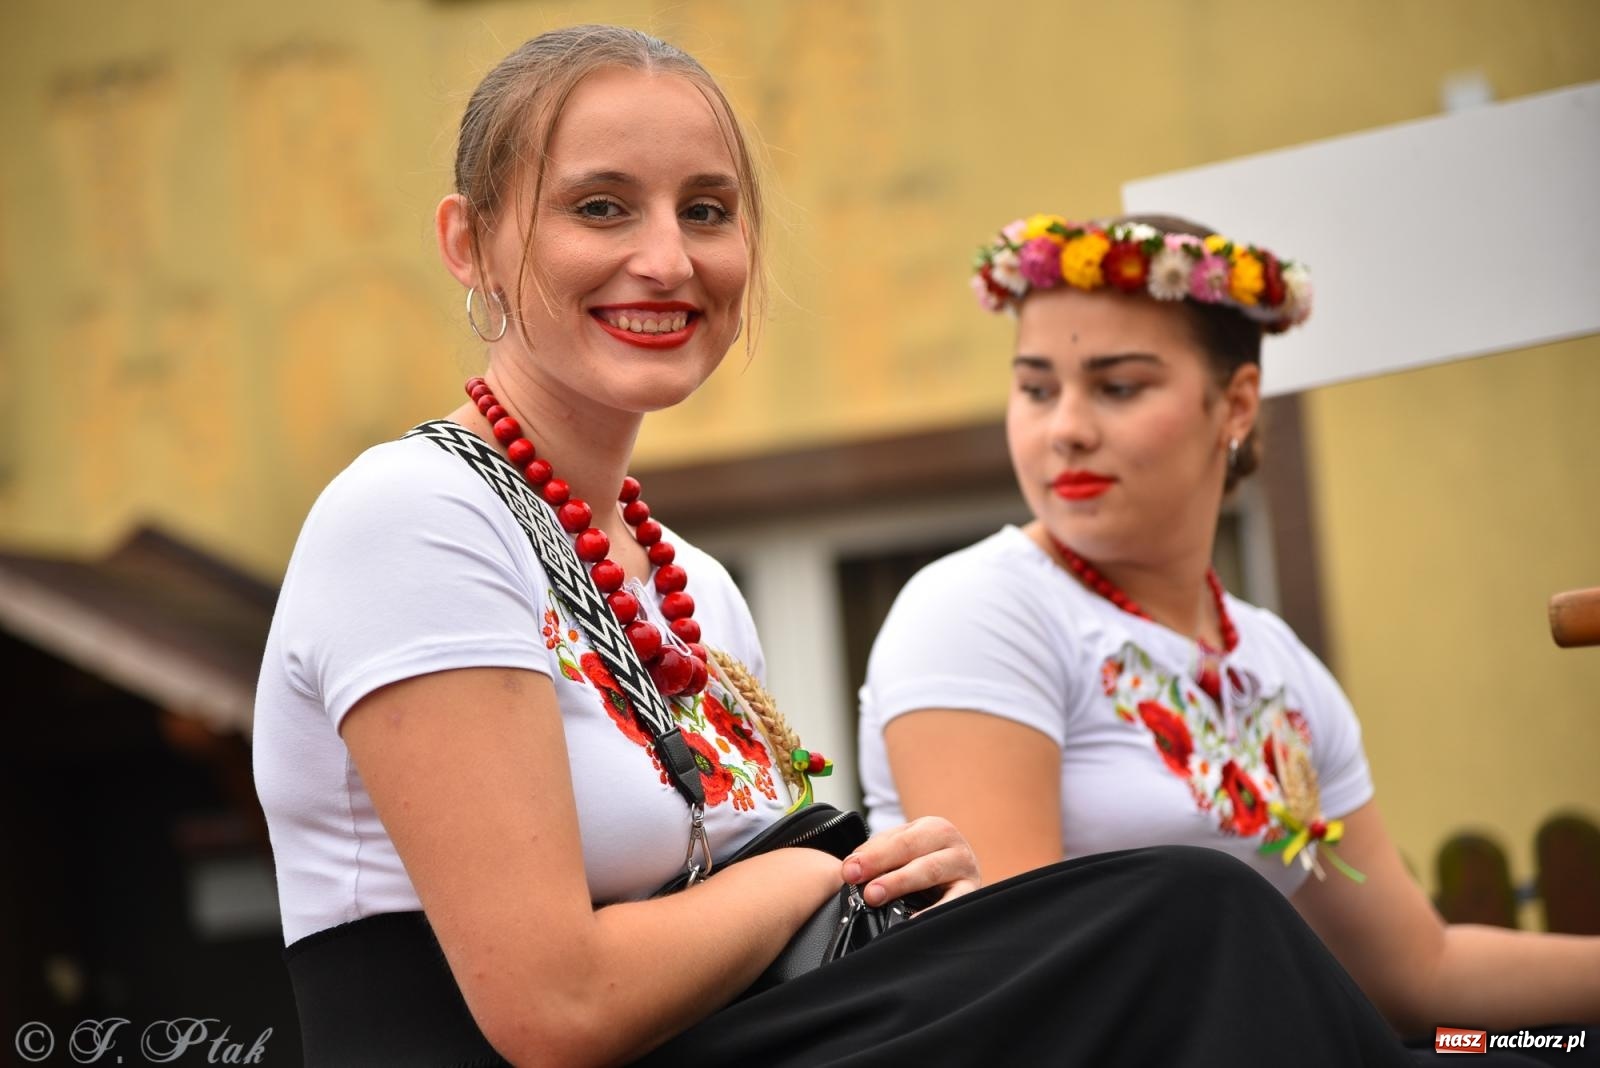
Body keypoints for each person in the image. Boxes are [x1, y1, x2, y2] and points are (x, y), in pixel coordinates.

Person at [253, 31, 1420, 1066]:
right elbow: (555, 1010)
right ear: (469, 239)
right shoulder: (411, 515)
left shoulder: (697, 588)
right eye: (601, 207)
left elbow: (748, 919)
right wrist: (820, 870)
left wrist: (911, 876)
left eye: (706, 211)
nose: (667, 259)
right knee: (1182, 923)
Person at [859, 212, 1600, 1058]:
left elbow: (1419, 970)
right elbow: (1041, 975)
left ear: (1236, 403)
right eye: (1036, 387)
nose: (1065, 426)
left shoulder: (1273, 662)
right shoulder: (982, 607)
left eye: (1118, 386)